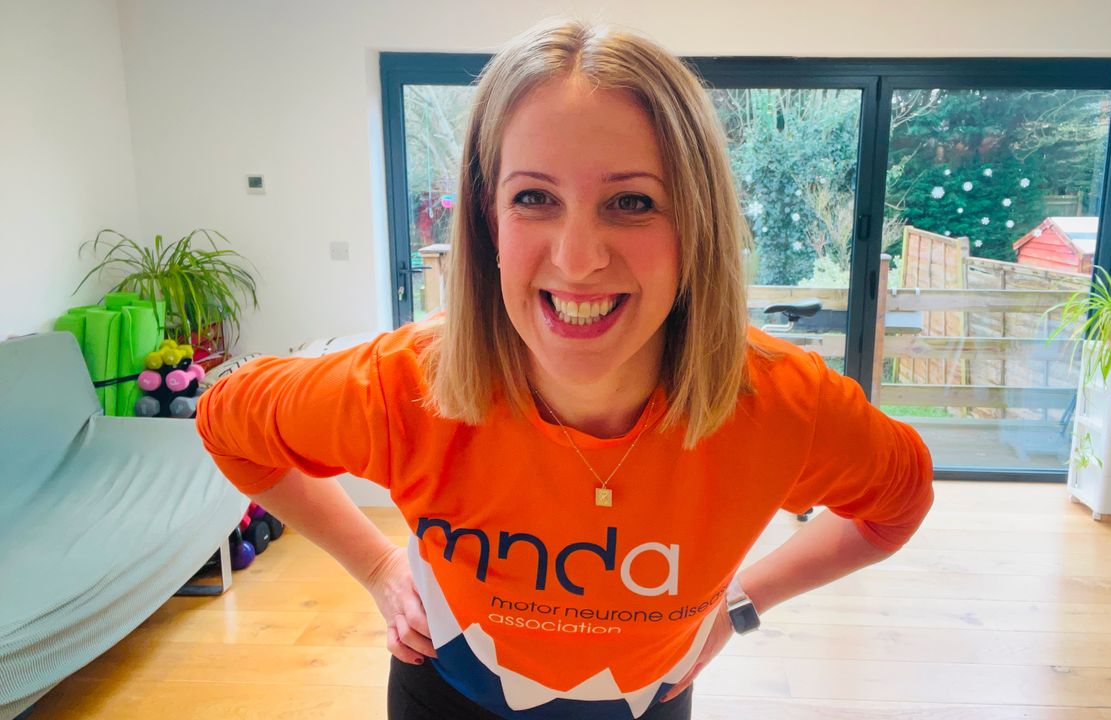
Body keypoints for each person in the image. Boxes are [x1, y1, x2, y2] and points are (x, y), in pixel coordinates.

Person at [195, 18, 933, 720]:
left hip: (649, 700)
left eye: (632, 201)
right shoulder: (401, 387)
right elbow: (226, 421)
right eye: (534, 198)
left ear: (696, 223)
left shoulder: (782, 406)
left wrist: (740, 604)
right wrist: (381, 568)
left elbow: (899, 501)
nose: (578, 259)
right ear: (490, 220)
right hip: (443, 695)